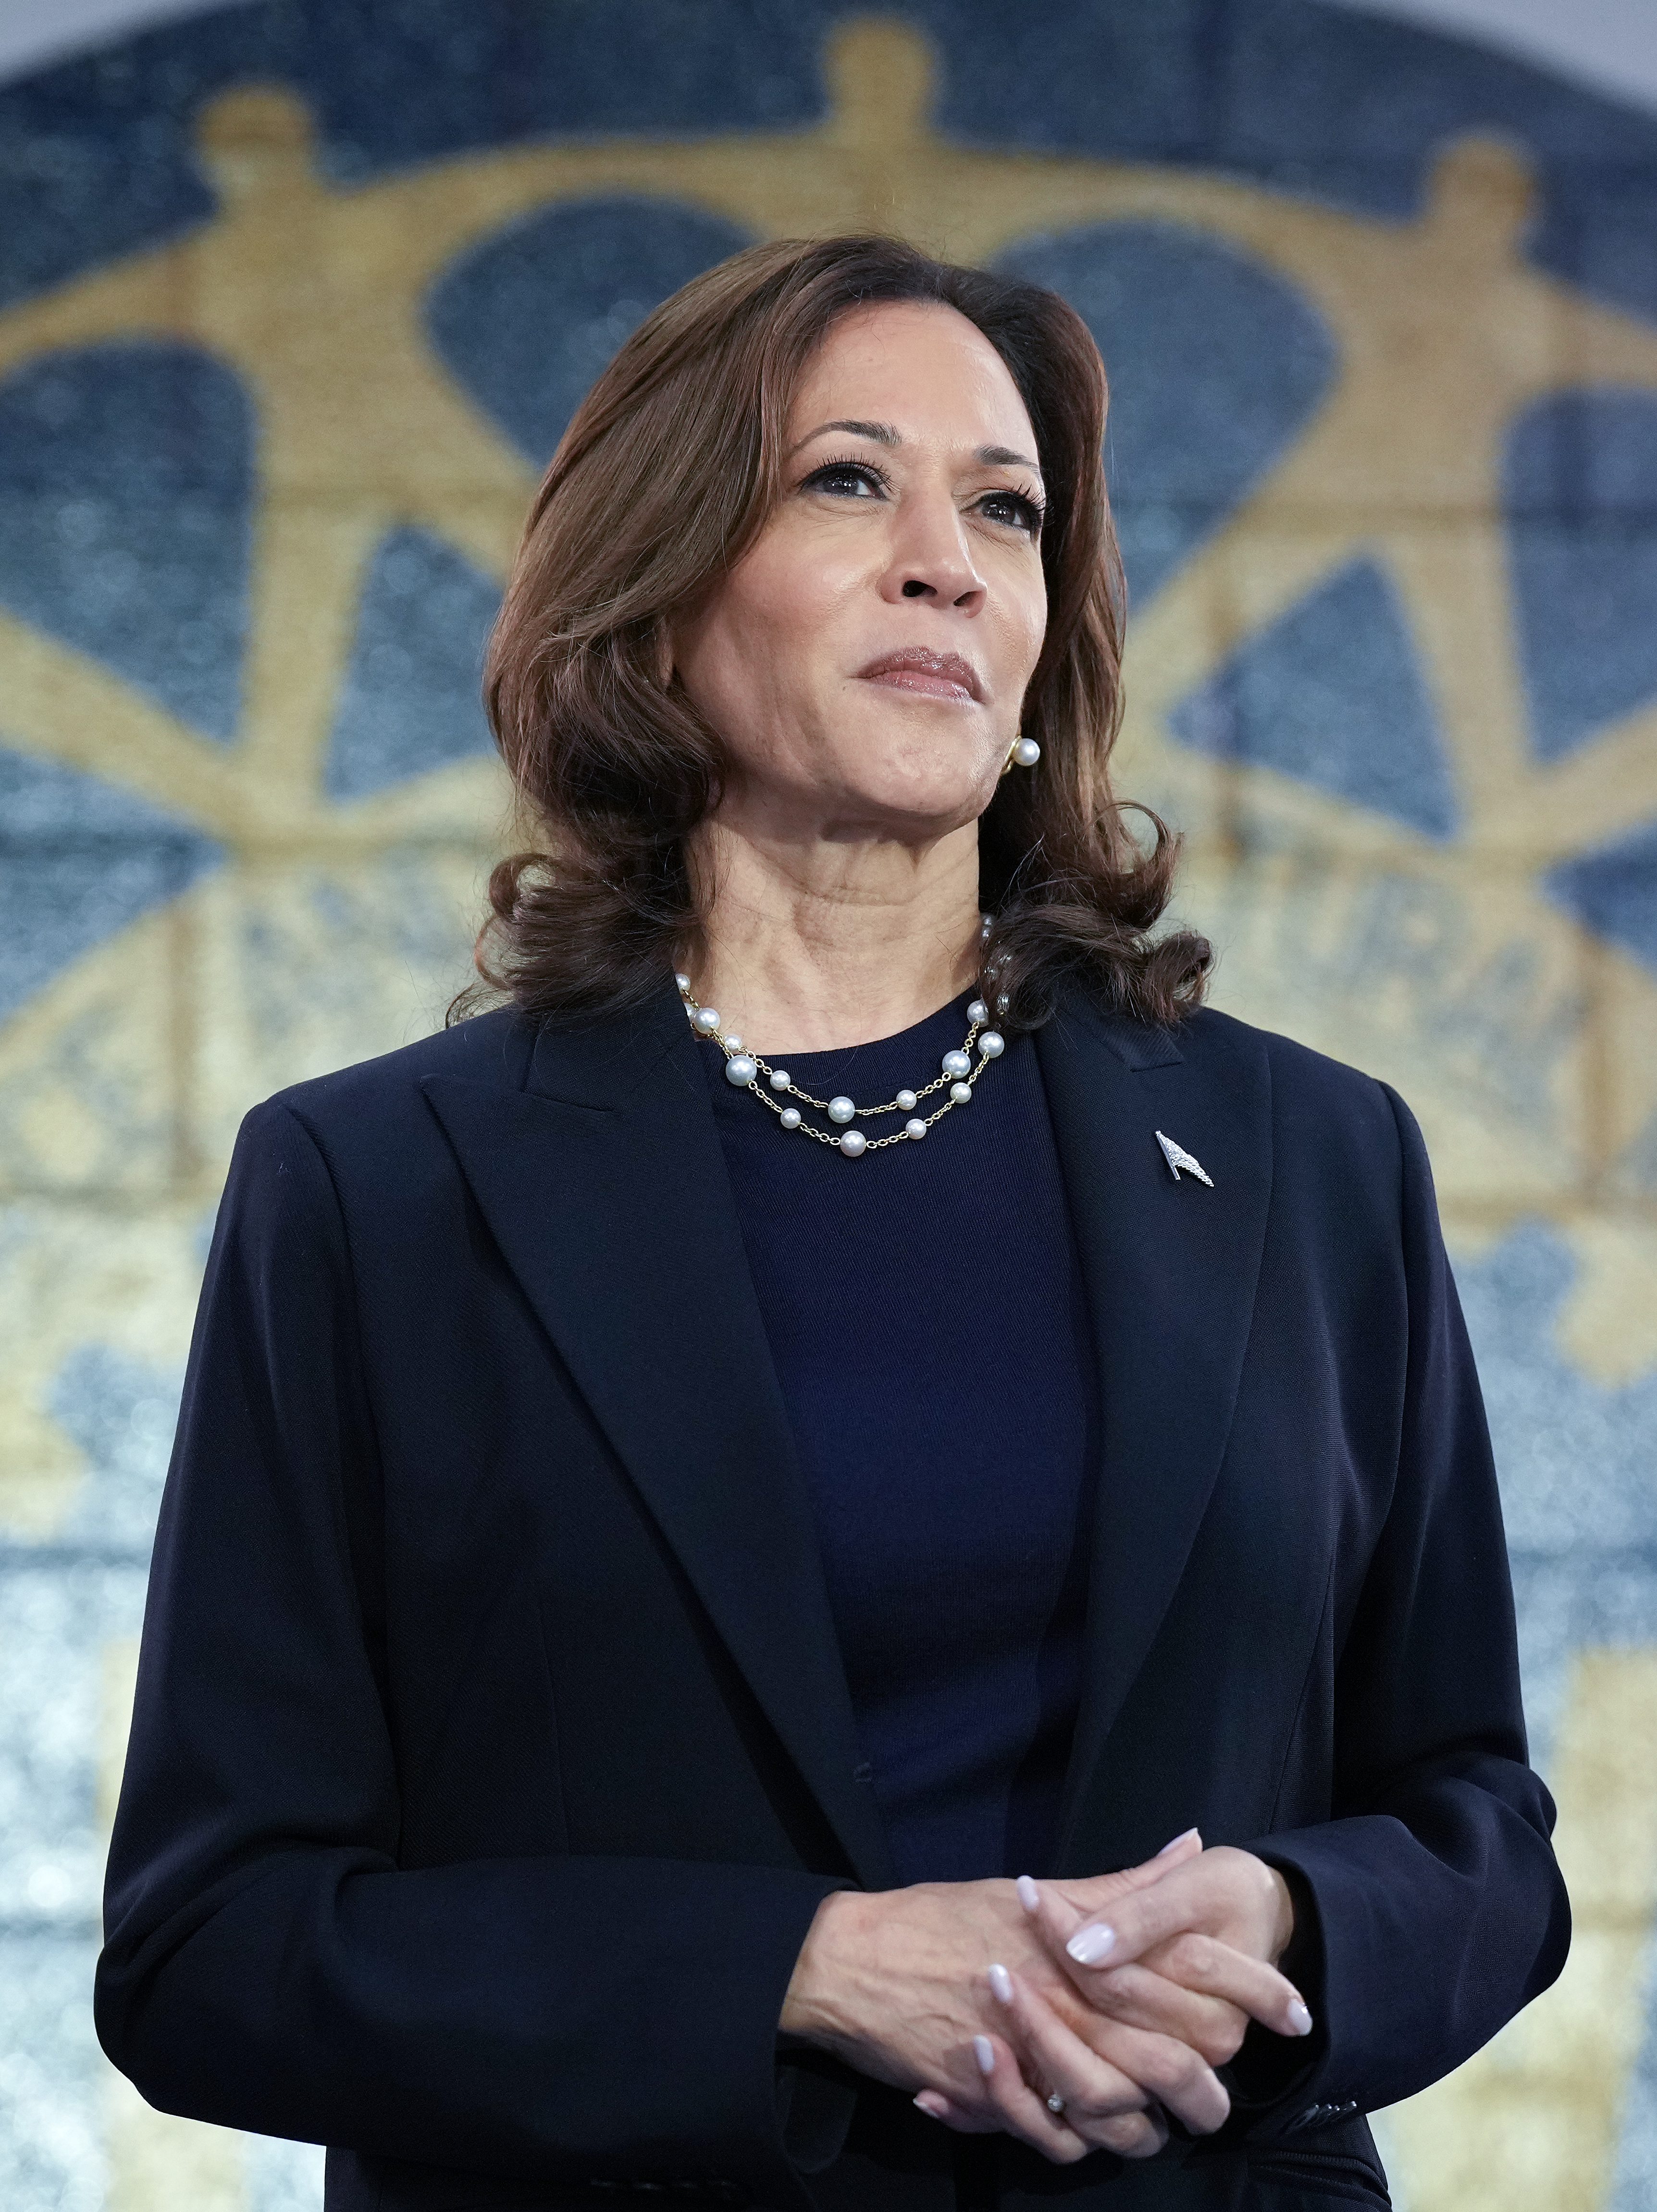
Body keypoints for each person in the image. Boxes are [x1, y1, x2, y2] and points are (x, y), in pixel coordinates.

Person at [96, 235, 1569, 2212]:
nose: (946, 560)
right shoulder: (376, 1192)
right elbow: (213, 1945)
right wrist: (789, 1968)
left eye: (1006, 508)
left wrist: (1293, 1920)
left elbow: (1477, 1825)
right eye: (847, 479)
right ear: (662, 586)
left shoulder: (1314, 1156)